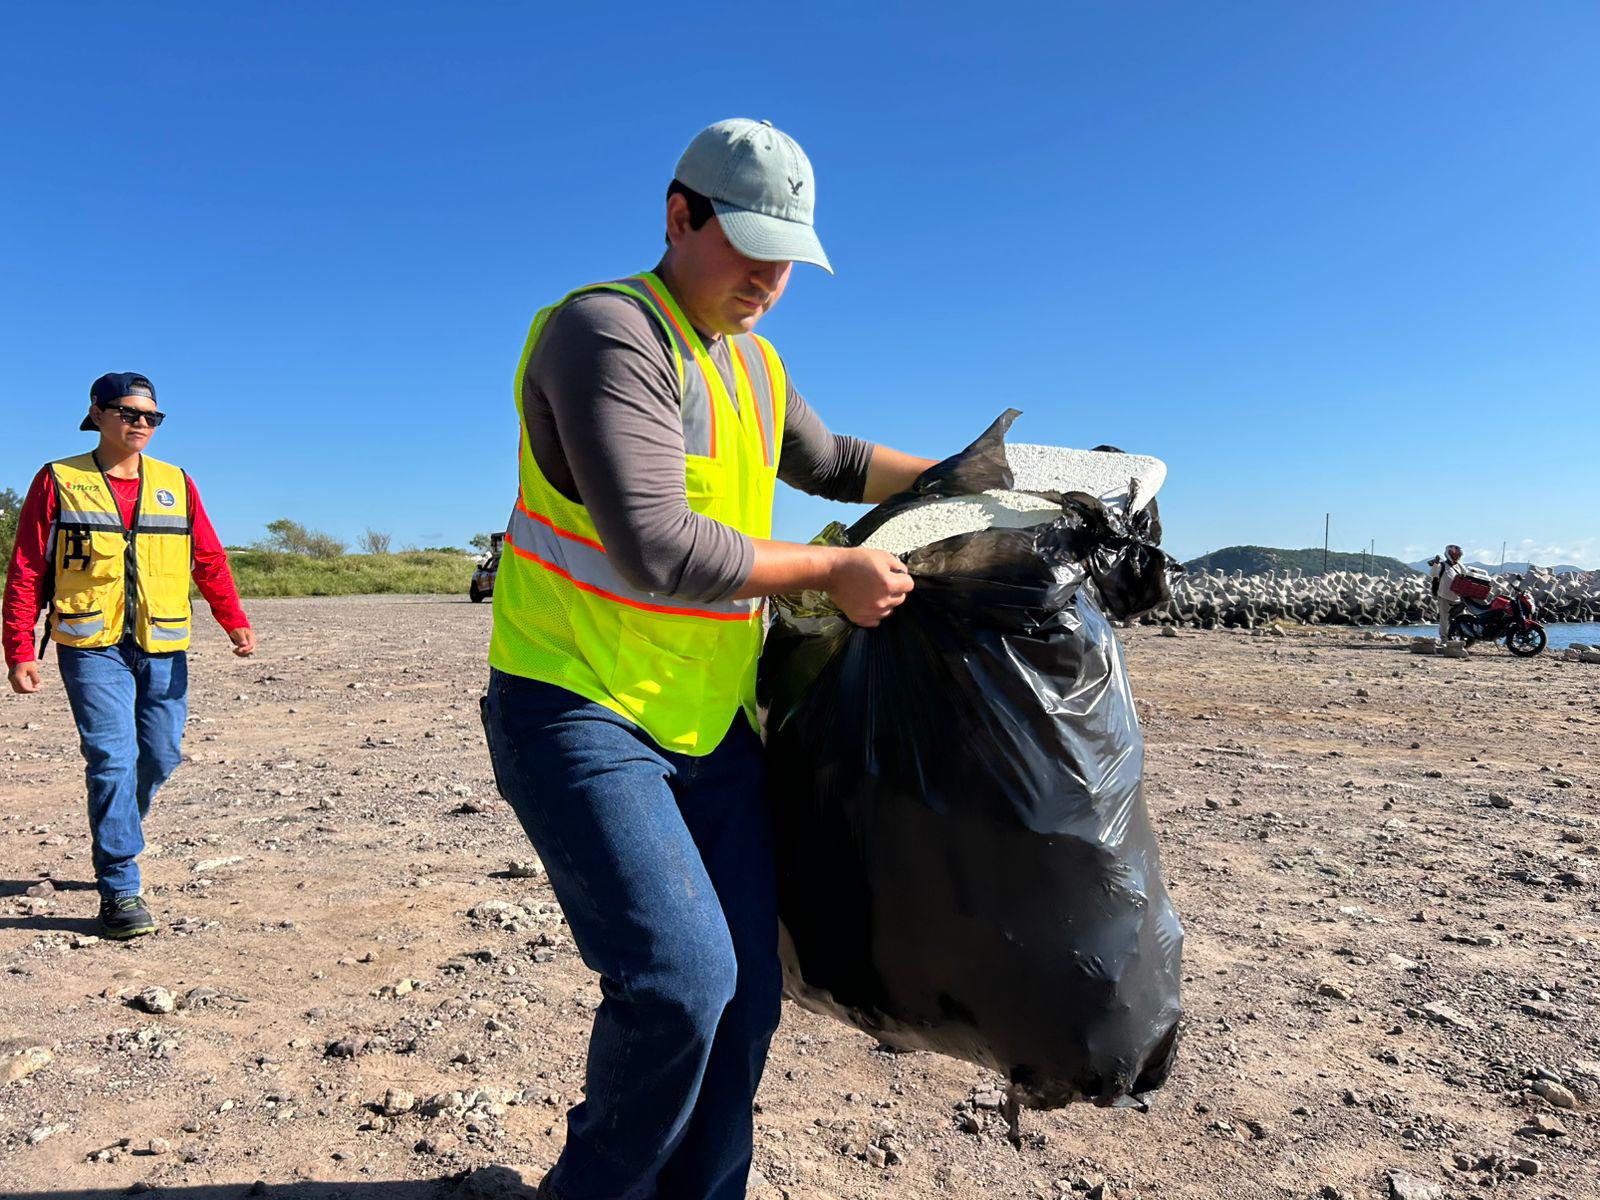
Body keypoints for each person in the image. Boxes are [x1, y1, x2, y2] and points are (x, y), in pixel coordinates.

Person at [479, 119, 939, 1200]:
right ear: (678, 215)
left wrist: (998, 480)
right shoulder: (606, 332)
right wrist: (831, 577)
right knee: (680, 982)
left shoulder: (754, 361)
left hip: (708, 723)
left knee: (745, 1001)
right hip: (578, 706)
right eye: (749, 247)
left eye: (787, 259)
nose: (771, 279)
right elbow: (657, 546)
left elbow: (835, 463)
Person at [4, 373, 255, 938]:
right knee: (112, 760)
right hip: (91, 646)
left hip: (163, 643)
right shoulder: (58, 479)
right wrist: (19, 645)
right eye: (127, 412)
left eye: (151, 416)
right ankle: (119, 886)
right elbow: (26, 568)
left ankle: (116, 827)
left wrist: (233, 619)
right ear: (96, 414)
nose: (140, 423)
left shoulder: (177, 482)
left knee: (161, 757)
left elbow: (208, 559)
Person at [1430, 543, 1466, 642]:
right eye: (1455, 555)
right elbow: (1433, 574)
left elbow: (1466, 575)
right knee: (1444, 620)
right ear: (1448, 554)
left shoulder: (1460, 566)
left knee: (1461, 619)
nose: (1457, 556)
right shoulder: (1442, 565)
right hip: (1444, 596)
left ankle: (1461, 638)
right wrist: (1435, 563)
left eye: (1458, 555)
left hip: (1458, 598)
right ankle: (1444, 640)